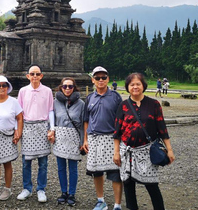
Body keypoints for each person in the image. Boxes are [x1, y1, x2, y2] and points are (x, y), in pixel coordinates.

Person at [113, 73, 175, 210]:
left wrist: (169, 150)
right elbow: (117, 132)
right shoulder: (123, 106)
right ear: (128, 87)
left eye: (138, 84)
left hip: (147, 151)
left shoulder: (154, 104)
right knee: (128, 185)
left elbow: (162, 128)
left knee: (152, 185)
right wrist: (116, 152)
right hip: (127, 152)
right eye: (132, 84)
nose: (135, 87)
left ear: (143, 86)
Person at [83, 66, 123, 210]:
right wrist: (85, 139)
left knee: (115, 172)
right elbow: (86, 119)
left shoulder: (115, 97)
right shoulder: (90, 98)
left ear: (108, 79)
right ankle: (101, 201)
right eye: (97, 78)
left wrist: (120, 140)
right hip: (94, 138)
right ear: (93, 80)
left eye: (103, 77)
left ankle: (117, 204)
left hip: (111, 138)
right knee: (96, 172)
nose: (101, 80)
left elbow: (121, 119)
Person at [16, 64, 54, 203]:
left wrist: (52, 128)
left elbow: (51, 110)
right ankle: (27, 188)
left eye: (37, 74)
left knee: (43, 162)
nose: (35, 77)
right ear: (28, 76)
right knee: (26, 162)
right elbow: (18, 113)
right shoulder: (23, 91)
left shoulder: (48, 91)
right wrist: (17, 130)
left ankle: (41, 189)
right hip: (27, 127)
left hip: (42, 126)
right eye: (32, 74)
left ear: (41, 76)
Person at [0, 76, 23, 201]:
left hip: (8, 135)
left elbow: (19, 117)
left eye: (4, 85)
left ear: (8, 87)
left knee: (7, 163)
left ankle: (7, 188)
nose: (1, 88)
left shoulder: (13, 101)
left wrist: (18, 132)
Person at [52, 77, 85, 206]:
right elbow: (52, 120)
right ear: (61, 87)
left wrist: (83, 142)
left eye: (70, 86)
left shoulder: (81, 104)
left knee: (73, 168)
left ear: (74, 88)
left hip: (74, 138)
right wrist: (51, 133)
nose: (67, 89)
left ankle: (72, 193)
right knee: (61, 168)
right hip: (60, 137)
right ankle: (63, 192)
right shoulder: (55, 102)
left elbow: (83, 124)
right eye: (64, 86)